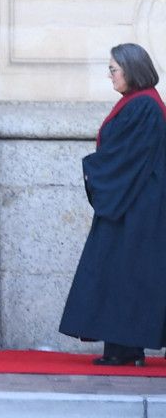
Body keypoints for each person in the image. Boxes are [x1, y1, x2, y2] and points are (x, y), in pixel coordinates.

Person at [58, 42, 166, 366]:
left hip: (134, 207)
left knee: (122, 274)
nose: (110, 76)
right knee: (123, 275)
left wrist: (94, 169)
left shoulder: (143, 106)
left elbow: (125, 157)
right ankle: (124, 348)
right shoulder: (140, 103)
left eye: (113, 70)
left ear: (131, 70)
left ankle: (124, 349)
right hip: (132, 203)